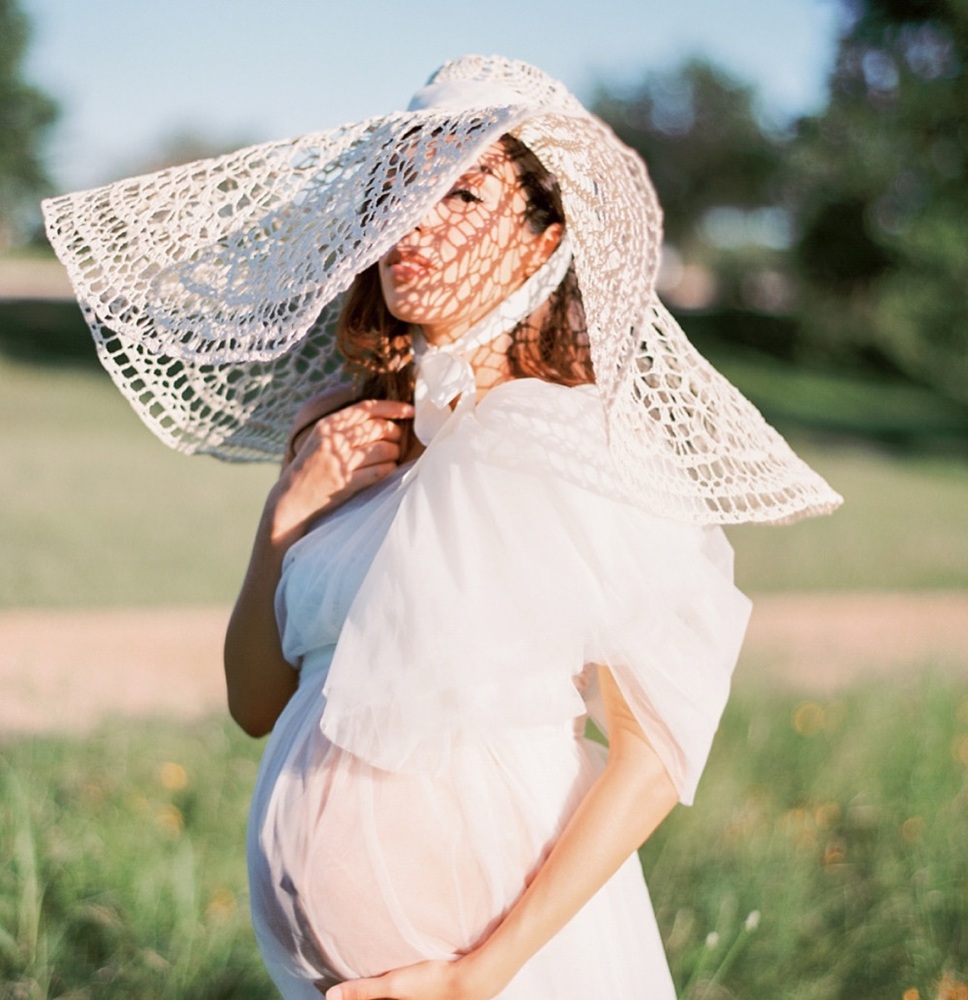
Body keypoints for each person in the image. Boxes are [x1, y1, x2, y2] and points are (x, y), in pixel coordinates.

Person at [42, 56, 842, 999]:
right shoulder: (349, 436)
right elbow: (256, 705)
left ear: (548, 240)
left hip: (511, 973)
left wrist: (477, 974)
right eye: (398, 191)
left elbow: (654, 755)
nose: (414, 224)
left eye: (462, 193)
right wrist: (284, 520)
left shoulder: (573, 443)